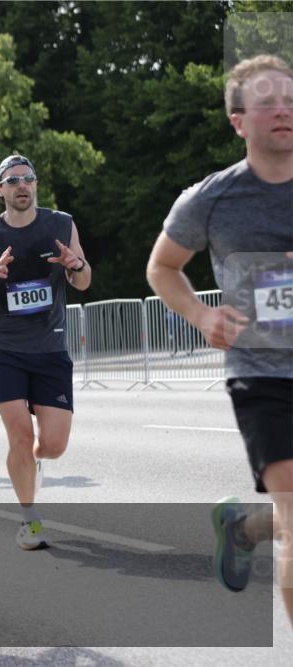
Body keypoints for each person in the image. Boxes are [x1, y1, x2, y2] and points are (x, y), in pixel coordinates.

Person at [146, 54, 293, 627]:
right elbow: (162, 269)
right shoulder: (210, 199)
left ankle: (245, 527)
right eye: (267, 102)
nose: (283, 110)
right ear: (238, 121)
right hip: (263, 372)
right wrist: (202, 317)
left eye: (290, 97)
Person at [0, 154, 91, 550]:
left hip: (50, 348)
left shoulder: (61, 224)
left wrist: (76, 263)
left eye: (28, 178)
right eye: (12, 179)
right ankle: (30, 520)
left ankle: (32, 461)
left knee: (53, 445)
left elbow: (83, 282)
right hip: (4, 349)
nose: (22, 185)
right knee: (19, 435)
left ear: (35, 185)